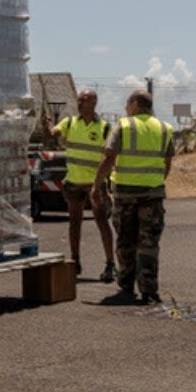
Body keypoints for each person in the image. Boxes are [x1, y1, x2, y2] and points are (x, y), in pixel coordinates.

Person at [93, 89, 173, 305]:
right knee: (149, 242)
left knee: (125, 240)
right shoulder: (165, 128)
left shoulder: (123, 125)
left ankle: (126, 285)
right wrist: (154, 182)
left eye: (128, 103)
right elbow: (167, 163)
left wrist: (96, 186)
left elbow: (108, 158)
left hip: (125, 194)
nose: (126, 108)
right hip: (153, 195)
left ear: (136, 104)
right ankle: (149, 289)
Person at [49, 89, 116, 281]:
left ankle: (110, 264)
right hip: (74, 182)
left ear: (94, 102)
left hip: (95, 183)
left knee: (102, 222)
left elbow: (109, 155)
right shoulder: (70, 122)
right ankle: (75, 260)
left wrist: (102, 182)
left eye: (84, 100)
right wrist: (47, 128)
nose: (80, 102)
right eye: (79, 99)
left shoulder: (104, 127)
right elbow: (53, 134)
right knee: (74, 223)